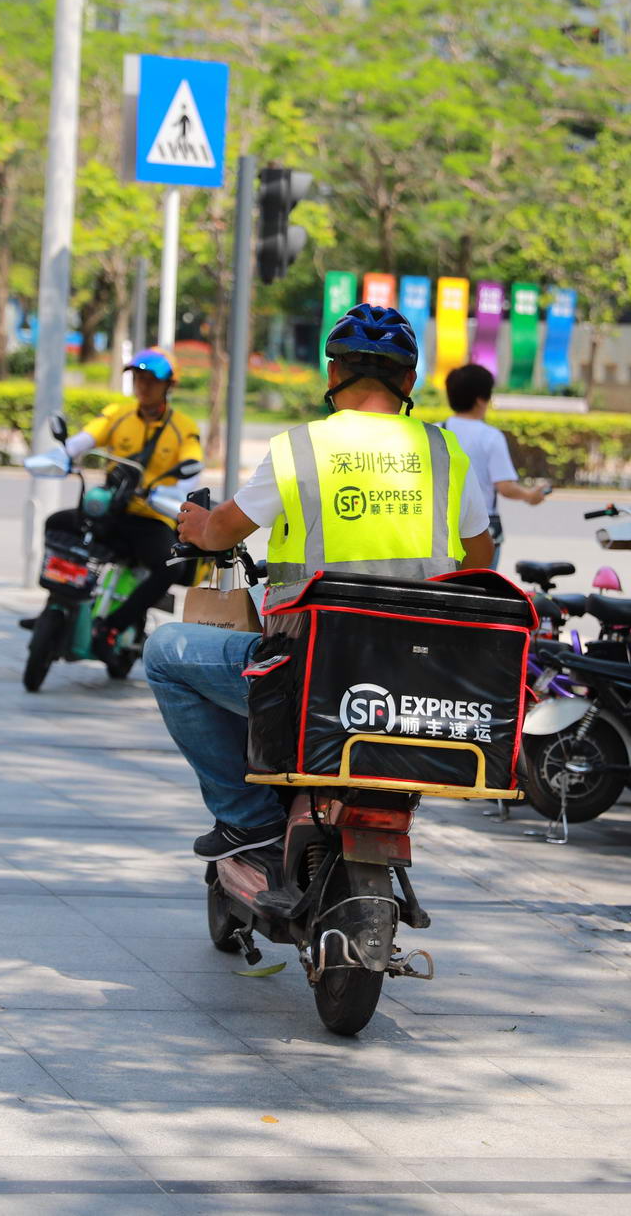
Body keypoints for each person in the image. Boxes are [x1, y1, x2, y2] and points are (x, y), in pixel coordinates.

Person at [142, 305, 493, 866]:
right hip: (420, 681)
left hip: (309, 679)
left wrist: (196, 524)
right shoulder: (444, 453)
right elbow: (481, 560)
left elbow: (219, 529)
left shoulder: (300, 449)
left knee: (163, 653)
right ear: (408, 381)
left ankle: (247, 817)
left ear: (332, 376)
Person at [39, 349, 204, 658]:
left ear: (170, 385)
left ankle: (114, 626)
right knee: (56, 524)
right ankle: (57, 602)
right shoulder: (117, 413)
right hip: (111, 512)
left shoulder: (184, 426)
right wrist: (60, 457)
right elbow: (82, 440)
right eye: (138, 378)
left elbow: (192, 467)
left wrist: (173, 492)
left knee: (170, 566)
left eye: (151, 380)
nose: (143, 385)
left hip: (151, 517)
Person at [443, 363, 548, 553]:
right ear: (481, 400)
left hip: (441, 525)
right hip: (481, 528)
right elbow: (505, 487)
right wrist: (530, 495)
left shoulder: (436, 430)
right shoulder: (490, 436)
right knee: (480, 582)